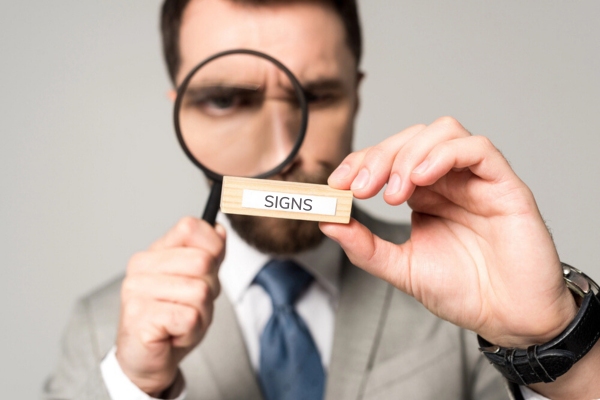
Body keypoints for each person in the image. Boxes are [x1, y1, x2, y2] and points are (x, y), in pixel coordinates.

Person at [44, 0, 600, 399]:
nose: (283, 149)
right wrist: (132, 386)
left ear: (355, 95)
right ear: (181, 111)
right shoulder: (101, 329)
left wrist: (554, 336)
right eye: (227, 100)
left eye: (315, 95)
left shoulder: (465, 288)